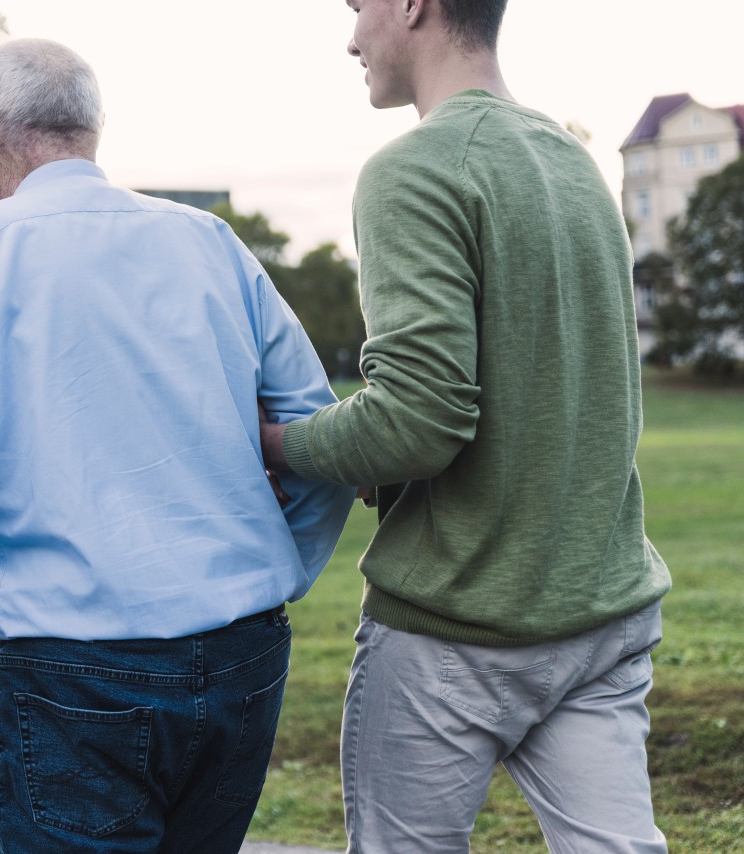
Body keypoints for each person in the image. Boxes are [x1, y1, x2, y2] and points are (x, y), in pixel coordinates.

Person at [0, 38, 354, 854]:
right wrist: (272, 569)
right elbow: (322, 436)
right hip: (244, 659)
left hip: (78, 675)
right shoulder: (210, 243)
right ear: (90, 129)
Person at [259, 1, 673, 851]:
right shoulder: (575, 163)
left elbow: (417, 420)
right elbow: (532, 386)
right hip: (598, 617)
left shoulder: (413, 170)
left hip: (455, 637)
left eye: (356, 7)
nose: (350, 38)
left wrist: (277, 444)